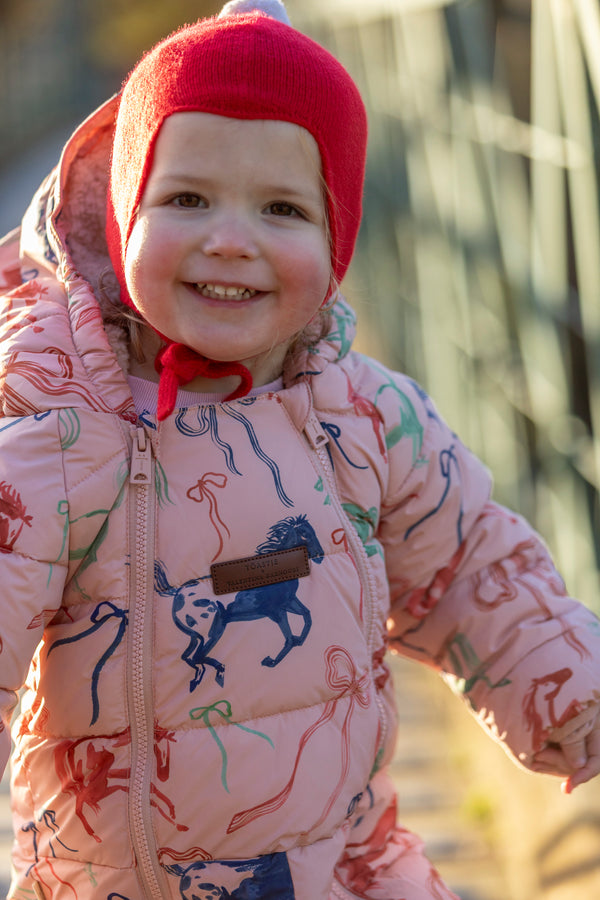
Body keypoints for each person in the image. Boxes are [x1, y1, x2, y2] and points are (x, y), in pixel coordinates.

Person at [0, 1, 599, 898]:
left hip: (346, 867)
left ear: (338, 238)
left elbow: (476, 567)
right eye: (187, 198)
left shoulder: (365, 415)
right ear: (125, 217)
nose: (229, 239)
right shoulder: (57, 428)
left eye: (282, 207)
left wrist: (576, 696)